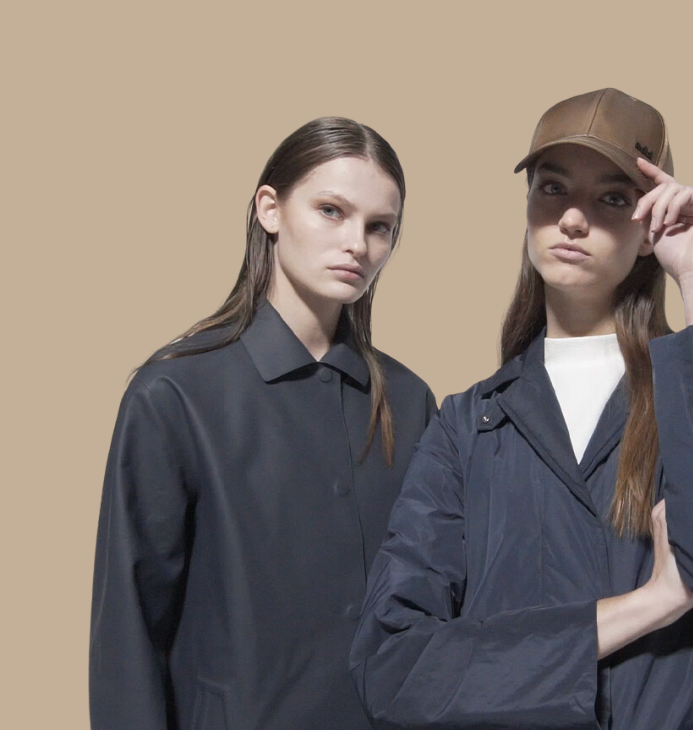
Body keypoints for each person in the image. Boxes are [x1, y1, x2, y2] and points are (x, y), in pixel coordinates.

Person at [350, 88, 693, 730]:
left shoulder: (680, 391)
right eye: (552, 188)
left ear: (650, 228)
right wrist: (648, 606)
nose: (573, 219)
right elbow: (392, 667)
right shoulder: (466, 426)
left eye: (612, 198)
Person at [89, 117, 436, 730]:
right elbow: (129, 632)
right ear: (270, 209)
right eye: (331, 211)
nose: (357, 244)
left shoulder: (409, 403)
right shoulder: (174, 394)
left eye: (379, 227)